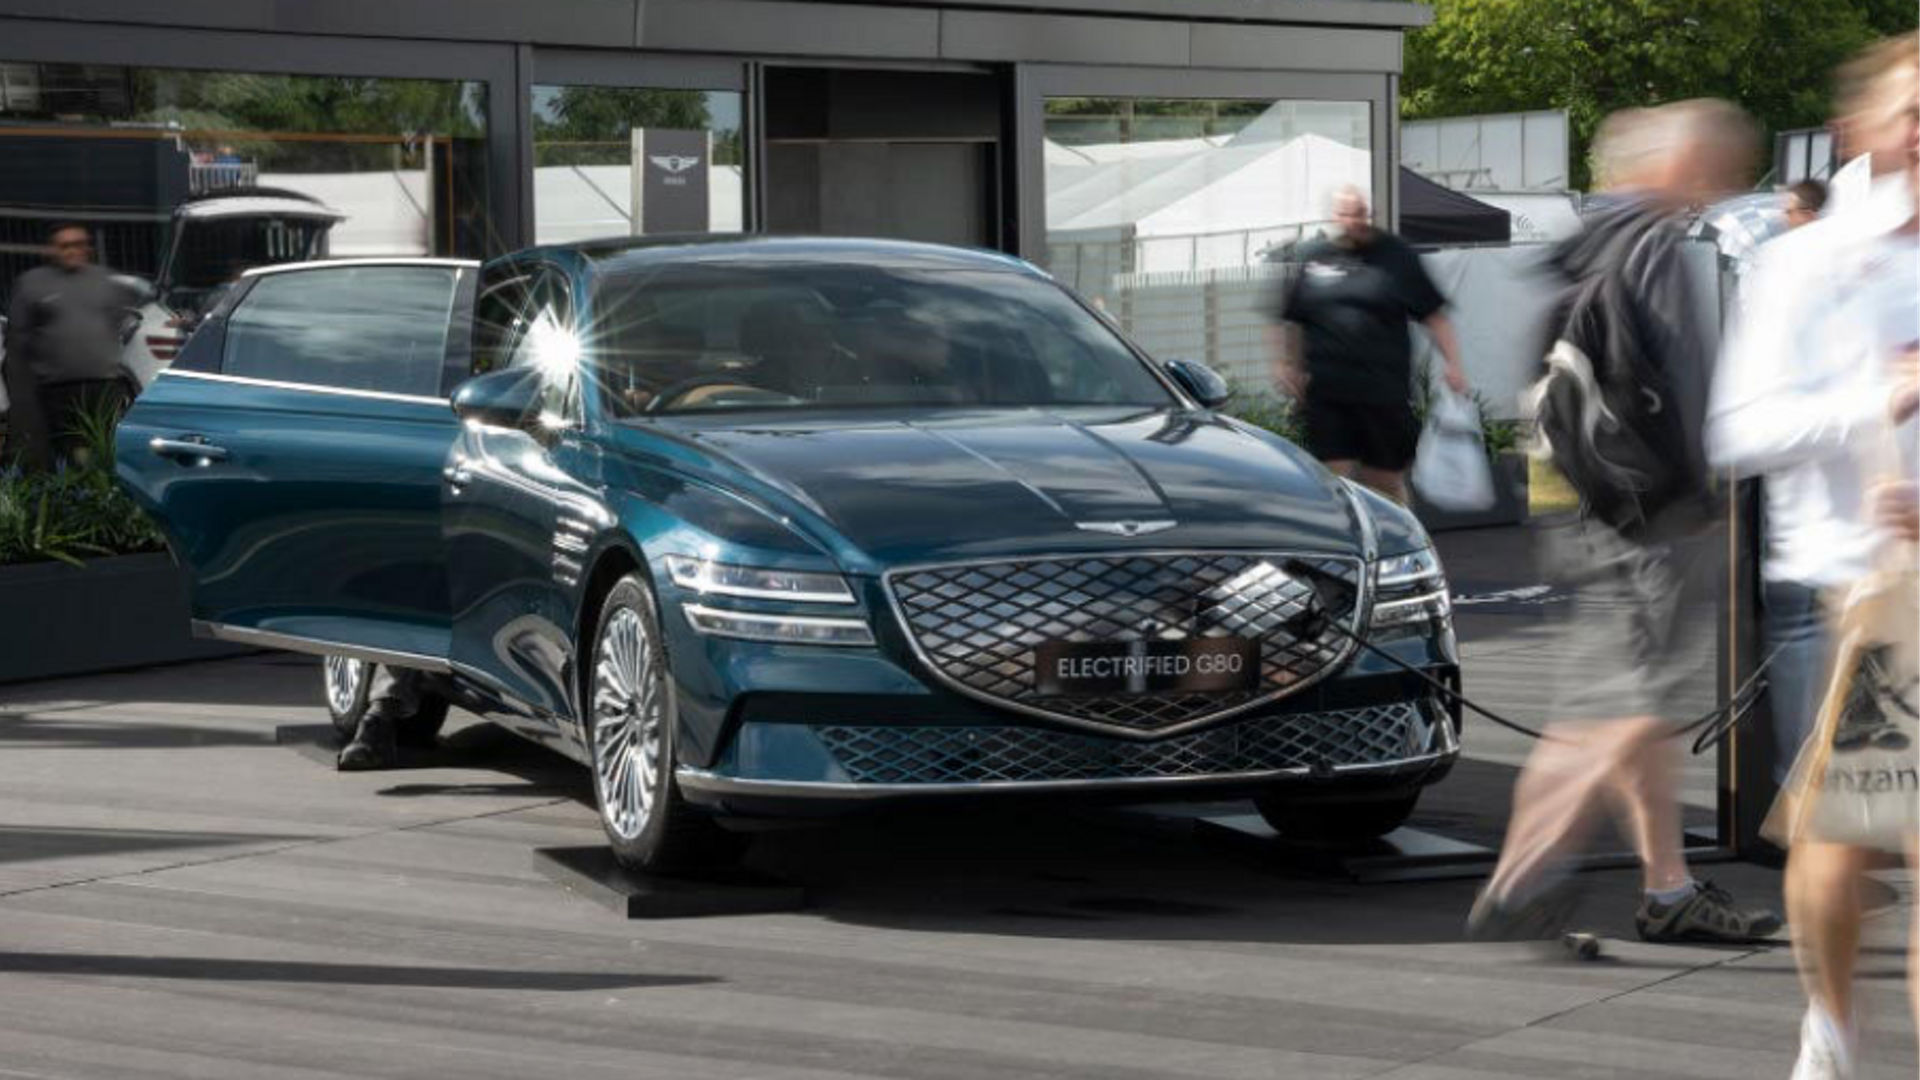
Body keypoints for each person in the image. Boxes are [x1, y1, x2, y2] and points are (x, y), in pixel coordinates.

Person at [1467, 99, 1781, 947]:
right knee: (1636, 705)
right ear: (1683, 165)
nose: (1729, 180)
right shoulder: (1655, 250)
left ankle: (1668, 889)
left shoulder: (1585, 241)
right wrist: (1707, 501)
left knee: (1609, 699)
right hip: (1652, 513)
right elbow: (1680, 393)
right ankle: (1527, 875)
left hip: (1580, 501)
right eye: (1722, 163)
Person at [1708, 33, 1919, 1079]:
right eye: (1914, 107)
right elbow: (1738, 431)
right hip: (1863, 597)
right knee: (1840, 847)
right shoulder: (1806, 262)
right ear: (1863, 126)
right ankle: (1832, 1029)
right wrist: (1867, 409)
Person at [1270, 184, 1468, 503]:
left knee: (1384, 484)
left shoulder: (1396, 255)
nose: (1354, 221)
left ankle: (1404, 543)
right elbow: (1288, 317)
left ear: (1370, 213)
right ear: (1334, 217)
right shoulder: (1311, 258)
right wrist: (1285, 363)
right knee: (1332, 484)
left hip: (1383, 394)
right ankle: (1341, 548)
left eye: (1361, 213)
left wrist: (1454, 366)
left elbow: (1435, 316)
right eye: (1347, 214)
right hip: (1328, 394)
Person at [2, 223, 136, 469]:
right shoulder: (33, 284)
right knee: (71, 455)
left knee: (106, 453)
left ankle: (105, 500)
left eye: (79, 244)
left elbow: (121, 322)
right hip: (58, 389)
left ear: (88, 248)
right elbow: (18, 338)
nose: (73, 251)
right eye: (65, 246)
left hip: (105, 385)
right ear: (52, 250)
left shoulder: (105, 281)